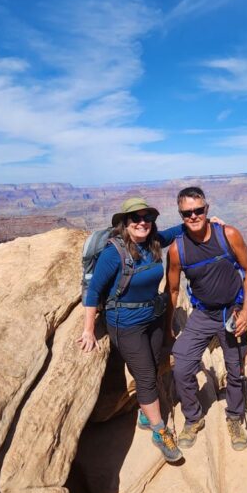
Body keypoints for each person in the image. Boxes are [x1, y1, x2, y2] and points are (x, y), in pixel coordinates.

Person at [78, 196, 184, 462]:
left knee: (156, 361)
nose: (142, 223)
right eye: (135, 218)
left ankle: (144, 414)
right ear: (124, 223)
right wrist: (89, 329)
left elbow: (177, 231)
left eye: (147, 218)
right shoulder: (114, 253)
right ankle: (160, 431)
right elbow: (94, 292)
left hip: (153, 317)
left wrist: (206, 223)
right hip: (125, 325)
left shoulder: (154, 241)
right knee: (146, 376)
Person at [166, 186, 247, 452]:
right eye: (187, 213)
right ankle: (193, 418)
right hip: (203, 314)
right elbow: (172, 290)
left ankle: (235, 418)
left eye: (198, 210)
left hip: (232, 311)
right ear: (181, 215)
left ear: (207, 209)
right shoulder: (177, 250)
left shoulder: (228, 235)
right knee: (181, 365)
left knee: (236, 370)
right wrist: (169, 324)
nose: (193, 216)